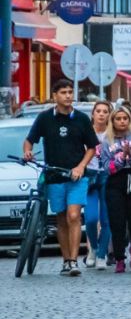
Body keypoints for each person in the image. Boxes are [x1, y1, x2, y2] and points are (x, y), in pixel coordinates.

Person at [23, 79, 99, 276]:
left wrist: (81, 167)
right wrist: (28, 151)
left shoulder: (81, 119)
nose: (67, 96)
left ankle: (74, 261)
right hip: (54, 175)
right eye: (63, 92)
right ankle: (65, 260)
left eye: (69, 92)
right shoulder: (45, 118)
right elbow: (30, 140)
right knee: (61, 218)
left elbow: (92, 147)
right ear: (55, 96)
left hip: (76, 176)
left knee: (73, 215)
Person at [101, 106, 131, 273]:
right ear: (112, 121)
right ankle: (119, 257)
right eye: (118, 118)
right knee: (117, 221)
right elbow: (107, 167)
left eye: (125, 118)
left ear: (129, 120)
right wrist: (121, 158)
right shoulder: (107, 141)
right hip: (115, 182)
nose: (122, 121)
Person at [85, 101, 112, 270]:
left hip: (108, 176)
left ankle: (102, 254)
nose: (101, 114)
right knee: (91, 218)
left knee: (106, 219)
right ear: (93, 114)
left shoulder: (113, 134)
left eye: (105, 111)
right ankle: (93, 248)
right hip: (89, 176)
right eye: (98, 111)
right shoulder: (85, 132)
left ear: (109, 115)